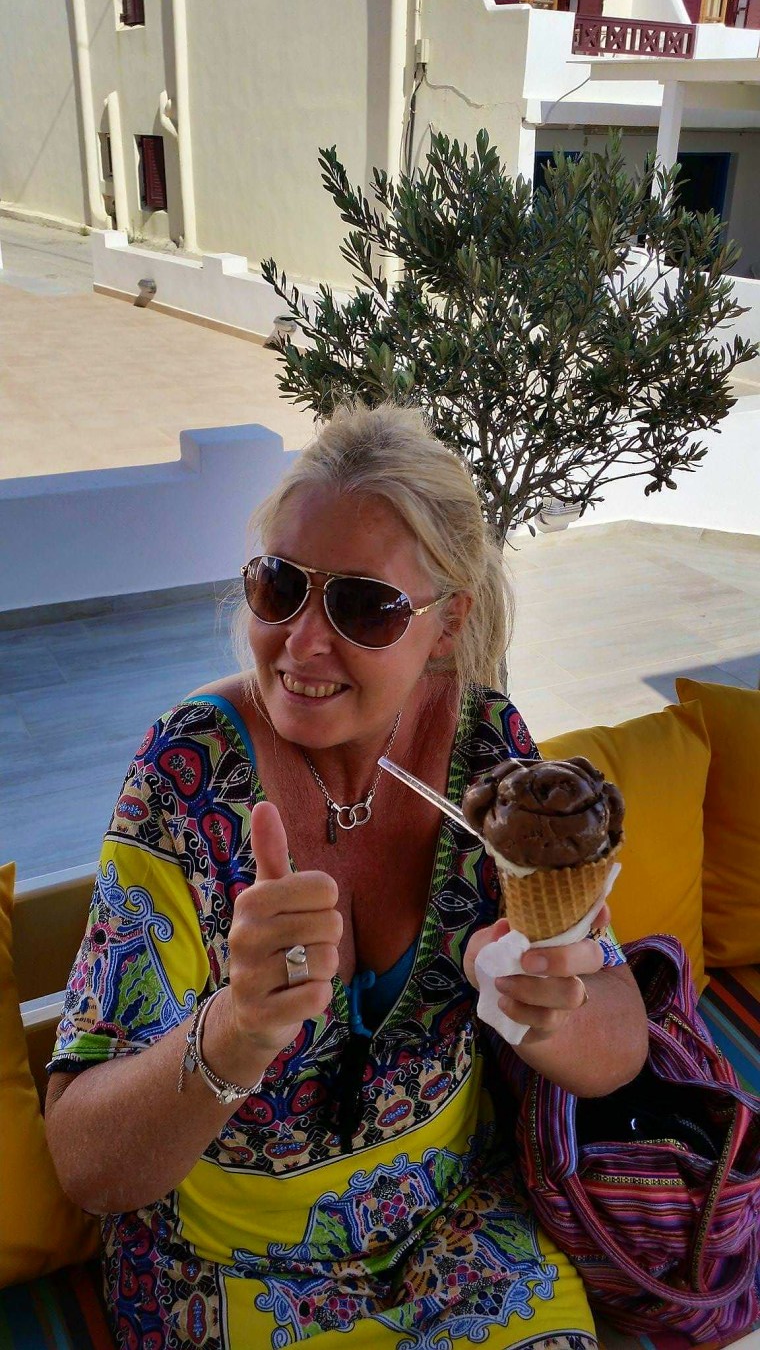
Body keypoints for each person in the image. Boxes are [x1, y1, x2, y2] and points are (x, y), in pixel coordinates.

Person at [46, 402, 649, 1350]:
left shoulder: (489, 752)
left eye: (365, 606)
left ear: (446, 623)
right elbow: (88, 1164)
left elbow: (618, 1046)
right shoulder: (186, 776)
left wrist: (547, 1007)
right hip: (226, 1269)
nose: (302, 641)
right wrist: (236, 1030)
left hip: (462, 1237)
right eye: (280, 585)